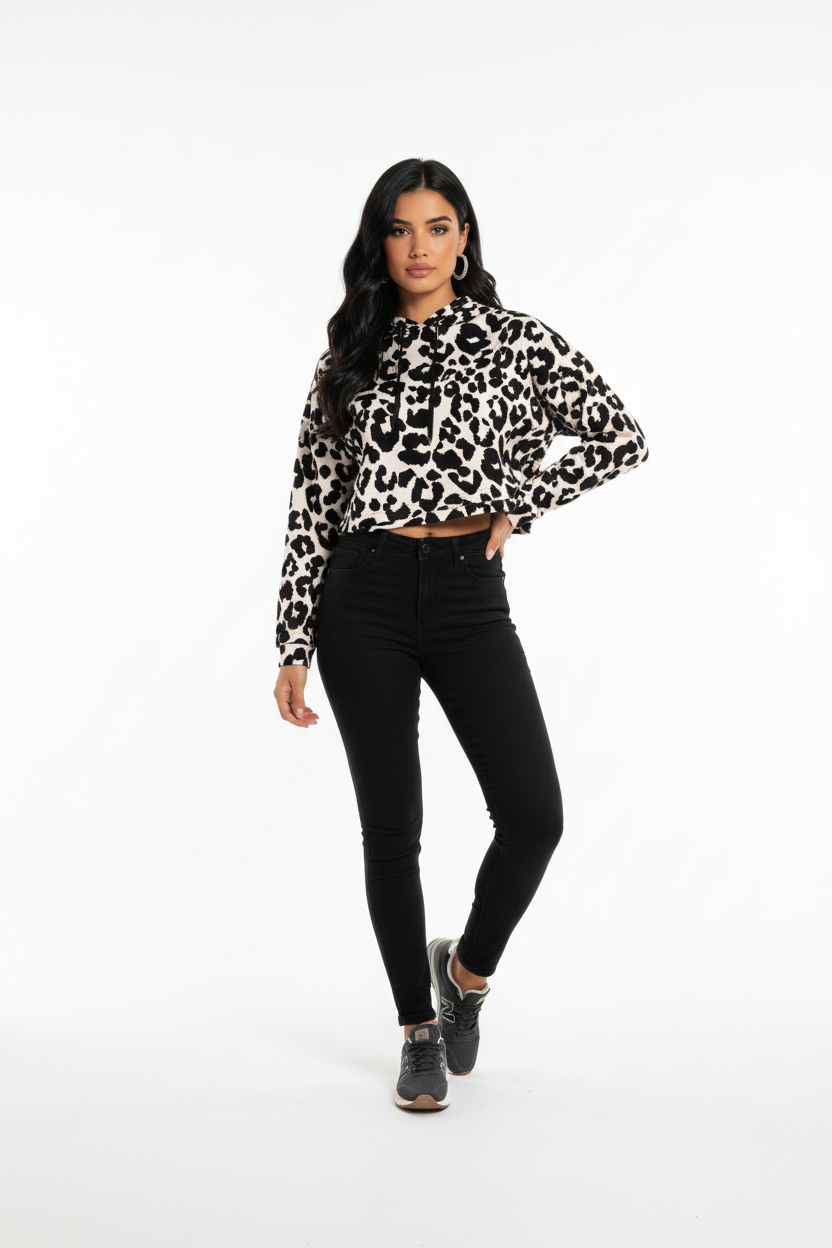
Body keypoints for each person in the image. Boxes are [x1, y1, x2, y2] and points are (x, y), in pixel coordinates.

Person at [273, 158, 649, 1112]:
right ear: (380, 241)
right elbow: (312, 503)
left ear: (465, 238)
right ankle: (416, 1031)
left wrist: (519, 499)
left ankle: (466, 974)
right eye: (401, 229)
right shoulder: (348, 356)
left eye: (438, 228)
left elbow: (619, 436)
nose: (419, 248)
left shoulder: (514, 341)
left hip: (469, 594)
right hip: (361, 593)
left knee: (534, 817)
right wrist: (292, 641)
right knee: (391, 826)